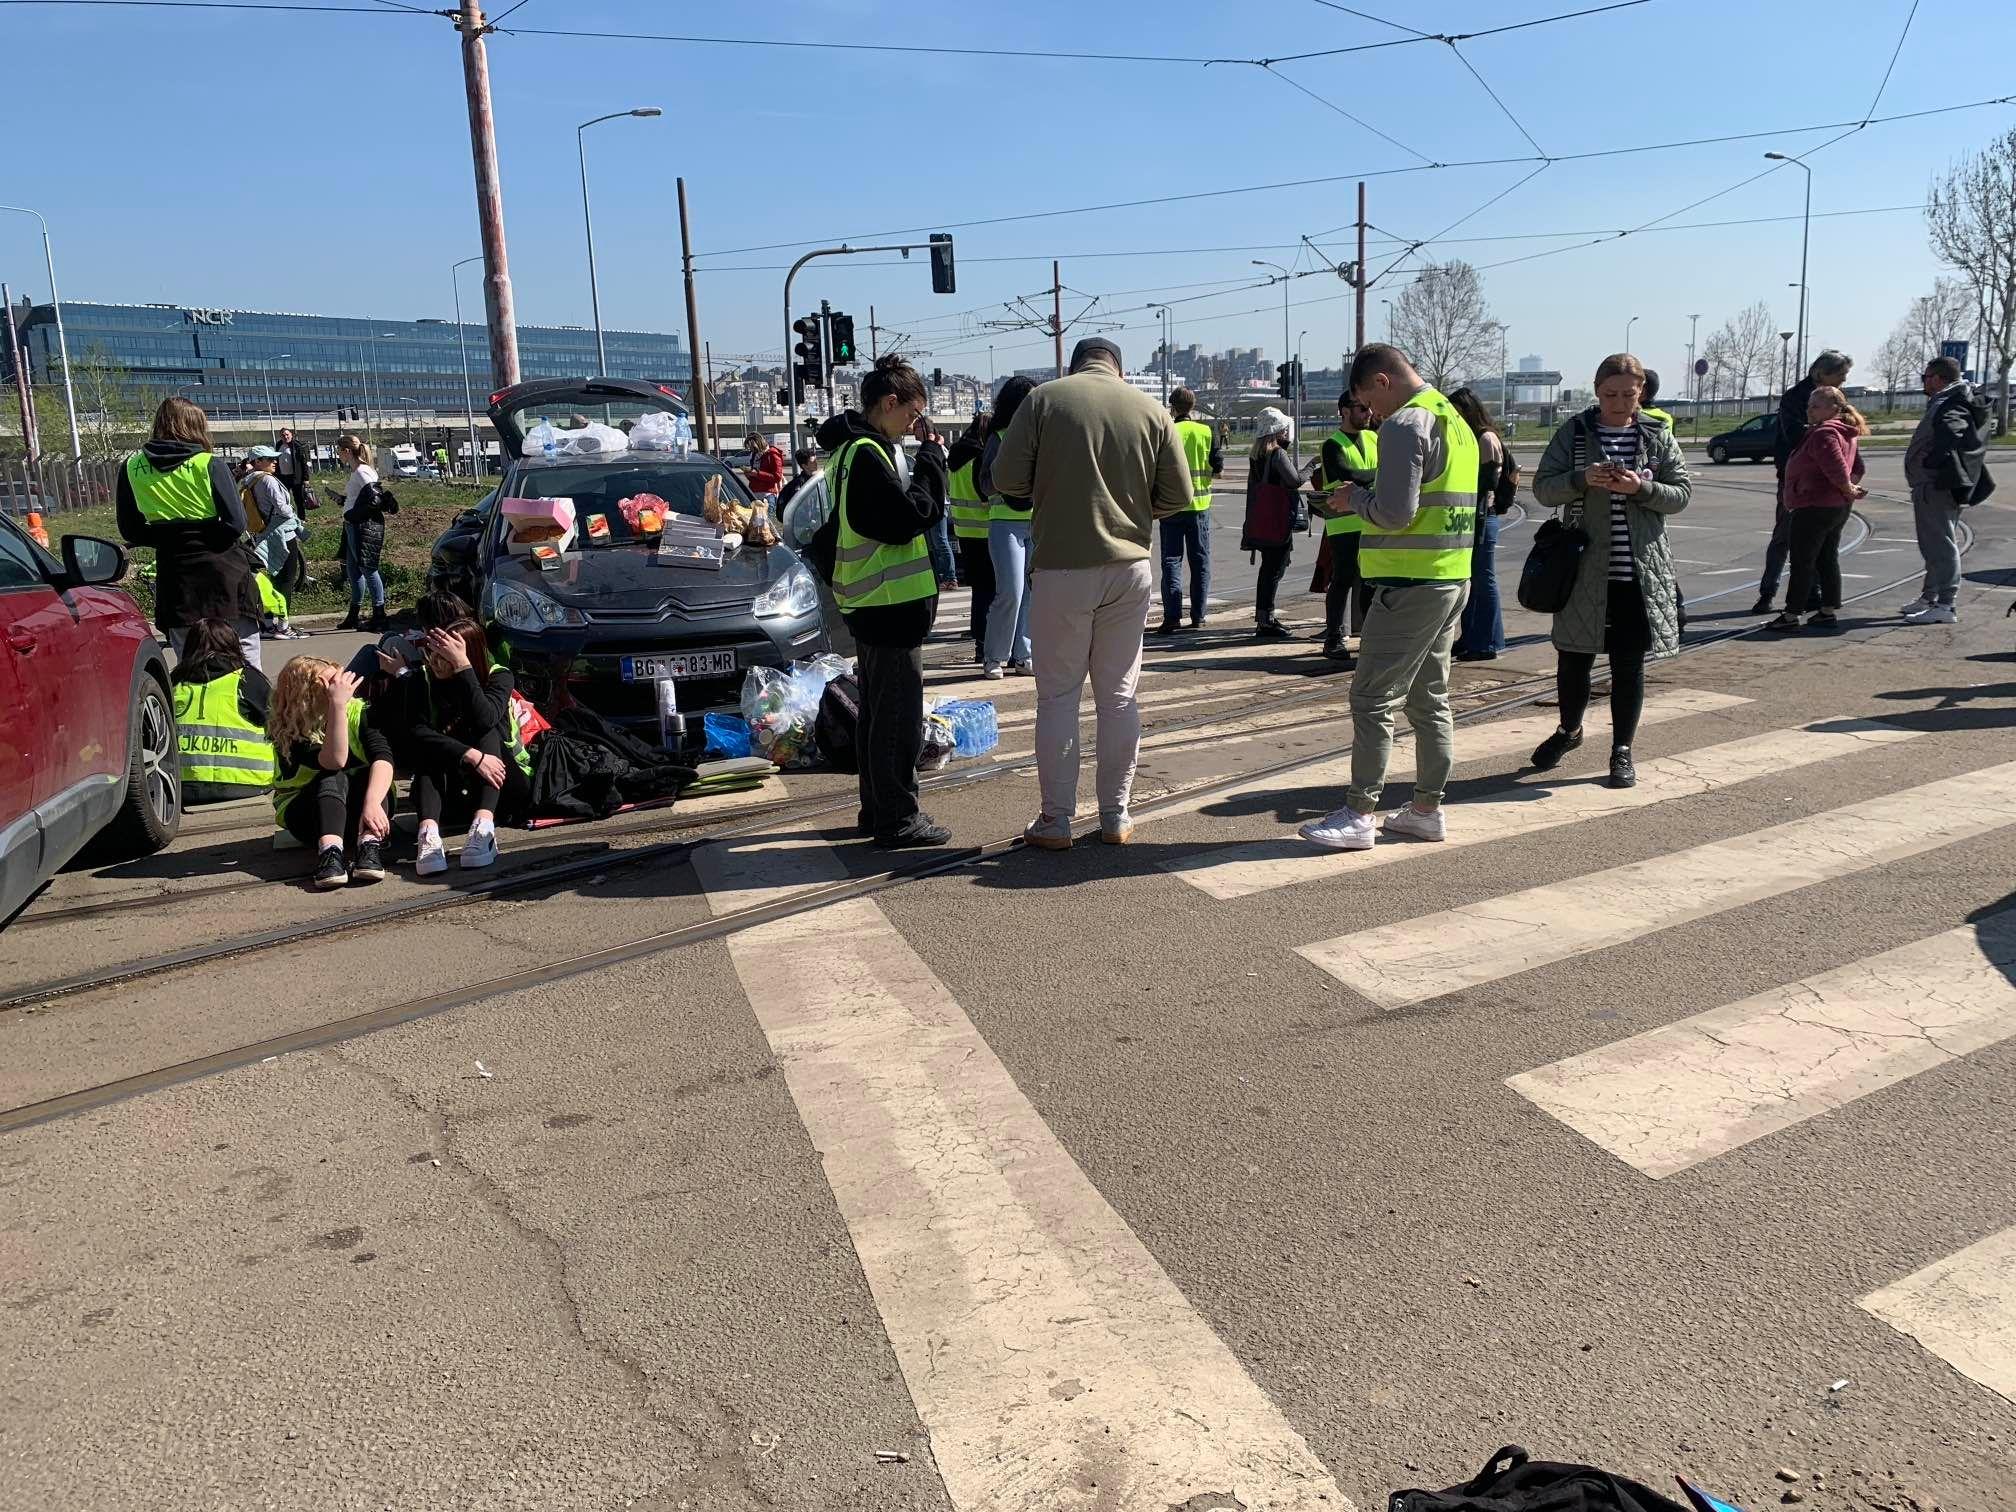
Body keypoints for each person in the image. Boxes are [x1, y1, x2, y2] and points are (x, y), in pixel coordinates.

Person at [992, 336, 1192, 849]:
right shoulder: (1152, 410)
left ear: (1075, 364)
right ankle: (1116, 816)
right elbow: (1179, 496)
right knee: (1119, 697)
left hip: (1061, 568)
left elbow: (1006, 479)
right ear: (1118, 369)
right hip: (1129, 568)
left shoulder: (1043, 400)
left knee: (1058, 696)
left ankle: (1056, 821)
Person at [1299, 344, 1478, 851]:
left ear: (1381, 381)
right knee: (1429, 699)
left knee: (1373, 698)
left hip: (1410, 583)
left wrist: (1351, 497)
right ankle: (1426, 809)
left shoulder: (1405, 425)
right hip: (1450, 575)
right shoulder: (1453, 420)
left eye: (1367, 402)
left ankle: (1359, 814)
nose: (1370, 415)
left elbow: (1397, 513)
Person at [1529, 353, 1693, 790]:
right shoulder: (1576, 433)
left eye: (1628, 394)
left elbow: (1680, 494)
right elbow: (1543, 488)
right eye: (1609, 394)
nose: (1619, 403)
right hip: (1584, 570)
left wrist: (1641, 487)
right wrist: (1583, 478)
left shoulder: (1656, 434)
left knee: (1628, 665)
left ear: (1641, 392)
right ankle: (1569, 730)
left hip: (1639, 572)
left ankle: (1622, 750)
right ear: (1596, 391)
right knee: (1574, 660)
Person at [813, 354, 952, 848]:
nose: (914, 426)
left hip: (871, 604)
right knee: (896, 719)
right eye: (912, 415)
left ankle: (877, 811)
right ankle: (897, 818)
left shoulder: (849, 454)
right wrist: (934, 461)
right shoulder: (868, 455)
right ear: (889, 403)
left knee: (877, 713)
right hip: (891, 606)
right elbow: (910, 516)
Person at [115, 396, 265, 670]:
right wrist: (206, 535)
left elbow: (131, 529)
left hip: (177, 579)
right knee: (245, 662)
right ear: (196, 427)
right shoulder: (209, 464)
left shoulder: (131, 468)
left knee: (190, 664)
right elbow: (235, 524)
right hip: (225, 576)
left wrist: (169, 537)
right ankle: (250, 710)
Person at [399, 618, 534, 873]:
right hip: (451, 793)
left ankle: (483, 830)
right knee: (431, 746)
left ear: (467, 656)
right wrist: (470, 755)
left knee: (488, 732)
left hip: (504, 787)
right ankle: (428, 834)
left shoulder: (500, 677)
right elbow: (416, 731)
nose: (435, 662)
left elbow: (484, 718)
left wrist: (463, 669)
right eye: (432, 654)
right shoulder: (422, 679)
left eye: (445, 656)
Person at [266, 655, 397, 889]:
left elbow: (383, 757)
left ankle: (369, 846)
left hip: (367, 814)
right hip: (309, 815)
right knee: (332, 775)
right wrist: (337, 706)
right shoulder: (290, 728)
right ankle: (330, 854)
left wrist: (373, 802)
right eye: (332, 685)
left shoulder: (358, 711)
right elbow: (335, 761)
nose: (342, 689)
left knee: (370, 775)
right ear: (307, 695)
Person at [1768, 385, 1869, 633]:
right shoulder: (1846, 432)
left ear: (1833, 408)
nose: (1809, 410)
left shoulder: (1825, 433)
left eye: (1816, 406)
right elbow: (1858, 466)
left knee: (1803, 561)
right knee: (1827, 558)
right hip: (1836, 506)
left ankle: (1791, 615)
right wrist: (1848, 489)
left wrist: (1846, 486)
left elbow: (1834, 466)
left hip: (1813, 505)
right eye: (1809, 405)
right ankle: (1828, 610)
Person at [1757, 350, 1851, 614]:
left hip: (1826, 489)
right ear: (1821, 373)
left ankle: (1816, 597)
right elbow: (1794, 434)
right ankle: (1768, 591)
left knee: (1820, 546)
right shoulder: (1796, 399)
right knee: (1784, 537)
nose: (1843, 381)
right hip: (1796, 482)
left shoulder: (1836, 403)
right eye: (1839, 375)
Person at [1901, 354, 1994, 625]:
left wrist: (1931, 462)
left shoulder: (1952, 402)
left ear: (1939, 378)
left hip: (1936, 484)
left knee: (1941, 544)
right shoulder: (1951, 399)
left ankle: (1945, 604)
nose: (1924, 383)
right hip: (1932, 484)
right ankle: (1930, 596)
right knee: (1932, 543)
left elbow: (1952, 431)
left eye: (1926, 377)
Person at [170, 617, 274, 804]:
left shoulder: (173, 682)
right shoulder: (248, 679)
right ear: (233, 644)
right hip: (248, 782)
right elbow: (280, 724)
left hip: (180, 787)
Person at [1310, 393, 1379, 662]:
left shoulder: (1374, 438)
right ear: (1344, 411)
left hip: (1372, 520)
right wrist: (1379, 475)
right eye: (1362, 408)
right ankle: (1334, 638)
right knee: (1343, 579)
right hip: (1343, 525)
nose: (1368, 414)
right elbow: (1347, 475)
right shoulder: (1331, 445)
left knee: (1371, 581)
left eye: (1369, 408)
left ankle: (1369, 637)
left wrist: (1371, 478)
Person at [981, 377, 1039, 678]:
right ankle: (994, 656)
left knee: (1032, 592)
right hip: (1005, 522)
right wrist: (1011, 480)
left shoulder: (1040, 434)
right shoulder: (999, 436)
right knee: (1012, 591)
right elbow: (985, 483)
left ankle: (1024, 654)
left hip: (1036, 521)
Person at [1152, 388, 1222, 634]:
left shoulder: (1167, 431)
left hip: (1171, 507)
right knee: (1200, 562)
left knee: (1171, 561)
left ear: (1172, 407)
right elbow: (1218, 466)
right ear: (1193, 407)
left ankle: (1172, 617)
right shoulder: (1206, 431)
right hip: (1199, 507)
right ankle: (1198, 615)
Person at [1448, 386, 1508, 662]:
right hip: (1477, 514)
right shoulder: (1477, 437)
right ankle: (1472, 637)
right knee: (1473, 577)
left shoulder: (1485, 438)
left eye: (1457, 412)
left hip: (1483, 514)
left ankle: (1487, 641)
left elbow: (1487, 482)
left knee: (1483, 579)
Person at [1241, 407, 1305, 639]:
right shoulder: (1277, 454)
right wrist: (1312, 467)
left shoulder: (1256, 455)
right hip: (1277, 521)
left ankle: (1264, 617)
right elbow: (1294, 480)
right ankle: (1266, 621)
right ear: (1278, 431)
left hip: (1262, 521)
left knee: (1267, 570)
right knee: (1274, 571)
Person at [944, 413, 996, 665]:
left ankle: (980, 642)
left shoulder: (955, 459)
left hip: (964, 532)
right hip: (985, 531)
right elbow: (985, 495)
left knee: (979, 591)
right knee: (992, 592)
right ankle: (985, 643)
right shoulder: (979, 458)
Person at [240, 446, 306, 640]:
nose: (274, 461)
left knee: (270, 582)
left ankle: (268, 624)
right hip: (281, 535)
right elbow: (283, 509)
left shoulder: (247, 480)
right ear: (258, 461)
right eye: (269, 459)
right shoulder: (267, 480)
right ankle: (283, 626)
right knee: (286, 579)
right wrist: (294, 515)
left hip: (261, 534)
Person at [335, 433, 392, 632]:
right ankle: (353, 614)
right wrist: (345, 502)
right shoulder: (357, 471)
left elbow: (374, 500)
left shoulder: (362, 472)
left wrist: (352, 514)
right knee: (353, 570)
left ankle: (379, 614)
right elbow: (362, 497)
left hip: (362, 526)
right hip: (352, 525)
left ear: (346, 451)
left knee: (368, 568)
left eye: (339, 452)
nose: (338, 456)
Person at [275, 426, 312, 510]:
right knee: (283, 499)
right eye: (283, 435)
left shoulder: (297, 446)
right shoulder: (278, 445)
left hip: (295, 478)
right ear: (280, 437)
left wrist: (306, 479)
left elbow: (304, 463)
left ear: (291, 435)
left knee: (299, 499)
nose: (285, 437)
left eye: (287, 435)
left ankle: (301, 518)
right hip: (283, 477)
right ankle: (288, 516)